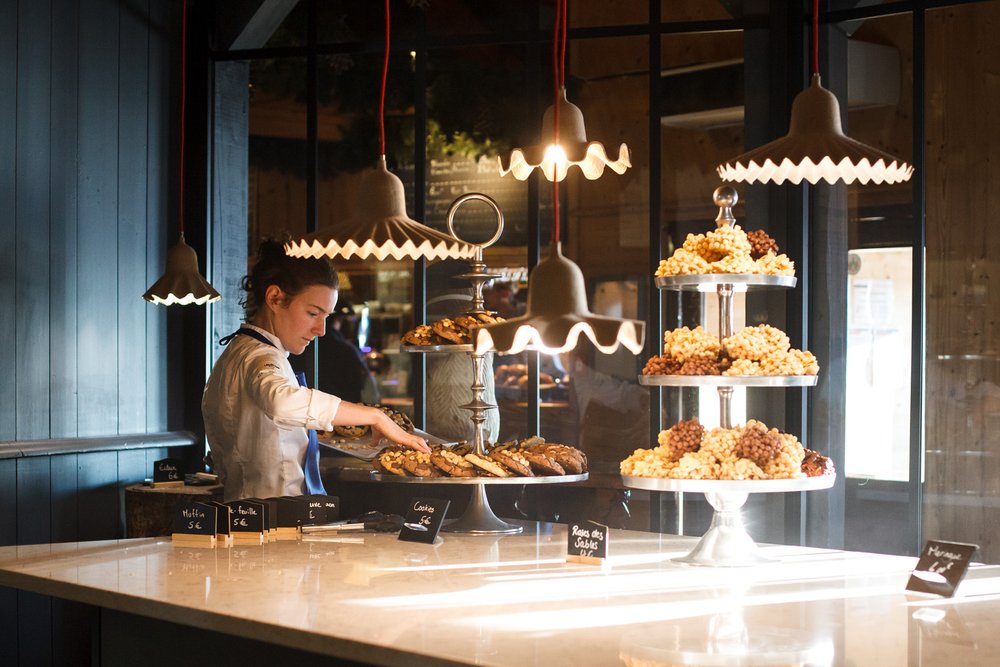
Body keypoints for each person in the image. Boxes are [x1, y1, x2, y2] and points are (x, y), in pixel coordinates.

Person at [202, 239, 428, 502]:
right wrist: (375, 417)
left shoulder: (243, 350)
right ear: (275, 298)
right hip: (269, 517)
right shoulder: (259, 355)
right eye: (313, 313)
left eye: (326, 317)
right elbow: (282, 401)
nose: (321, 330)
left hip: (262, 510)